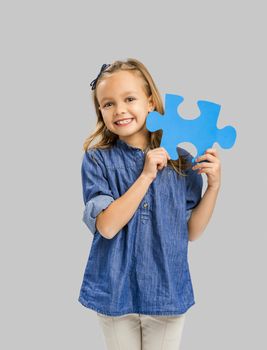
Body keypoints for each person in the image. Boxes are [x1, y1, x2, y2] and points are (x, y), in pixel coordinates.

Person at [78, 58, 221, 350]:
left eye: (129, 98)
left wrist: (214, 187)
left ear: (151, 102)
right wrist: (145, 176)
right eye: (107, 104)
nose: (119, 110)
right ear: (100, 111)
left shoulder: (181, 160)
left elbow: (191, 231)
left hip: (166, 291)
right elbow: (106, 226)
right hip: (114, 292)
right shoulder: (97, 159)